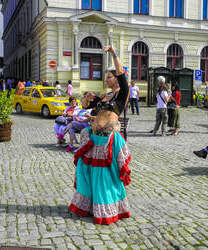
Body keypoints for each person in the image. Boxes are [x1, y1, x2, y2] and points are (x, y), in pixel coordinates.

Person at [69, 45, 131, 225]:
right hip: (94, 140)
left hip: (108, 140)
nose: (107, 79)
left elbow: (121, 73)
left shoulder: (122, 95)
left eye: (109, 76)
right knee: (89, 173)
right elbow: (86, 105)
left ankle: (108, 210)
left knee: (106, 177)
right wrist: (87, 98)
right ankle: (89, 206)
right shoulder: (104, 97)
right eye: (106, 77)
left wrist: (113, 53)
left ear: (116, 80)